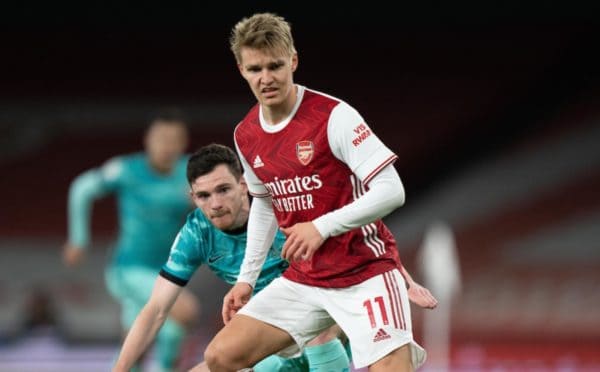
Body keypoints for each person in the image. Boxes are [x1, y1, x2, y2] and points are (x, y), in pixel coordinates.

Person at [203, 13, 436, 372]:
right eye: (255, 69)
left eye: (275, 65)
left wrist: (322, 227)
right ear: (241, 69)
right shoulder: (245, 134)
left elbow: (392, 190)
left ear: (293, 61)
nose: (266, 78)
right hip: (306, 278)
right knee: (220, 357)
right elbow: (265, 204)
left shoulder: (333, 116)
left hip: (365, 272)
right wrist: (247, 280)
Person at [113, 144, 436, 372]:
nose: (214, 204)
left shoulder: (286, 207)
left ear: (244, 185)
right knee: (214, 363)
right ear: (192, 197)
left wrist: (403, 279)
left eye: (223, 189)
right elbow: (156, 309)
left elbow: (364, 235)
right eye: (203, 195)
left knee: (316, 329)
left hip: (327, 324)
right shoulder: (196, 234)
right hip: (272, 333)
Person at [63, 109, 199, 372]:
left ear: (183, 143)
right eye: (161, 138)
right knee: (185, 310)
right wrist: (78, 239)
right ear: (147, 139)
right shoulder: (125, 170)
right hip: (128, 269)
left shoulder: (191, 172)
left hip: (169, 270)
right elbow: (81, 188)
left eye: (174, 140)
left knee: (148, 342)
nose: (167, 146)